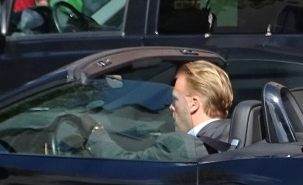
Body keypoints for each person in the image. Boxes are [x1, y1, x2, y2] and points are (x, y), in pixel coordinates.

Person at [85, 60, 233, 161]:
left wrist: (94, 132)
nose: (171, 106)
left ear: (193, 105)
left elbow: (124, 163)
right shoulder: (237, 133)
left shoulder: (179, 146)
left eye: (175, 99)